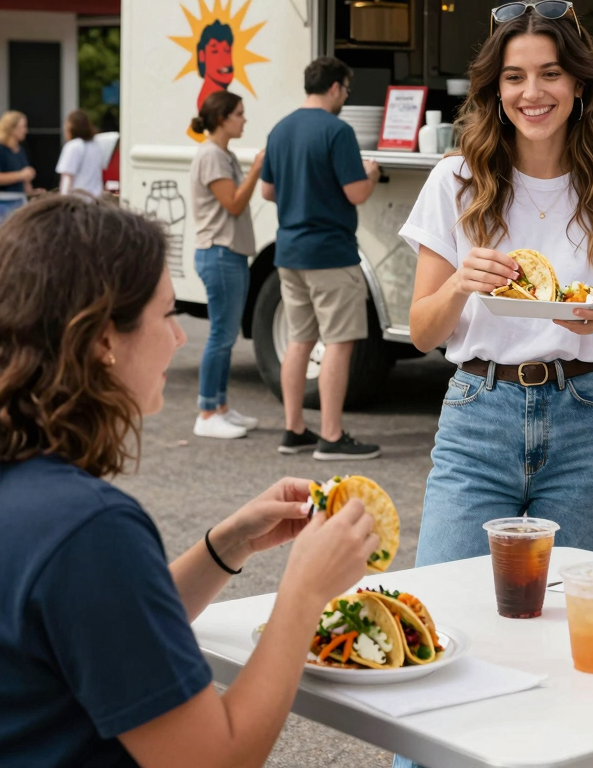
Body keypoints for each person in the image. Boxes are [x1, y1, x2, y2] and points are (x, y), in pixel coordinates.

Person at [0, 195, 380, 768]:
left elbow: (103, 626)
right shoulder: (89, 528)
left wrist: (226, 546)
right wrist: (303, 593)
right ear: (103, 339)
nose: (180, 338)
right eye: (166, 314)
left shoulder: (35, 498)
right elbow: (213, 760)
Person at [399, 0, 593, 566]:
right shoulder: (456, 180)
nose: (533, 93)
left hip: (585, 418)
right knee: (448, 600)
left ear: (578, 83)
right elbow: (422, 332)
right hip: (478, 413)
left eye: (550, 74)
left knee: (567, 618)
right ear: (496, 90)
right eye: (514, 77)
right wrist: (459, 286)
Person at [261, 55, 382, 460]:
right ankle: (331, 436)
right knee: (339, 343)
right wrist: (372, 173)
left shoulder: (280, 129)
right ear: (334, 87)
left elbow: (266, 192)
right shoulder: (337, 131)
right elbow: (355, 193)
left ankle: (294, 429)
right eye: (346, 89)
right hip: (330, 253)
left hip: (289, 252)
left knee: (299, 340)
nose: (346, 96)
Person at [189, 90, 264, 440]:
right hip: (219, 252)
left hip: (228, 253)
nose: (244, 119)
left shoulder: (222, 154)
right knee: (221, 335)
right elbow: (233, 204)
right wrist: (256, 171)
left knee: (226, 334)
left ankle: (219, 406)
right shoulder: (212, 156)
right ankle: (206, 411)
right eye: (239, 113)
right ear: (222, 118)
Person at [56, 109, 105, 198]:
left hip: (78, 202)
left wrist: (63, 201)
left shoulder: (73, 146)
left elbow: (67, 178)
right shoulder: (95, 146)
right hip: (95, 202)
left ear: (70, 127)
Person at [0, 110, 36, 221]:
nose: (25, 130)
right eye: (23, 126)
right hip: (4, 202)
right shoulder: (1, 149)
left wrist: (32, 193)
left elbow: (25, 183)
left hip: (20, 201)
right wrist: (22, 175)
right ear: (12, 129)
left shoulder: (20, 150)